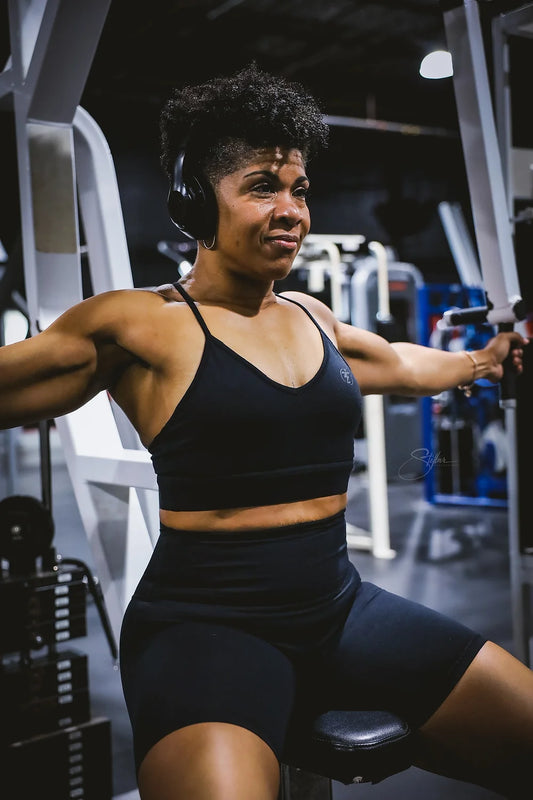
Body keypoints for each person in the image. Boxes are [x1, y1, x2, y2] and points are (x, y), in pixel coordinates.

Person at [1, 62, 532, 800]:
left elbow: (402, 365)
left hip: (340, 606)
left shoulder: (311, 317)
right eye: (261, 187)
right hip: (205, 629)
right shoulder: (139, 325)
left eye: (299, 190)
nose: (290, 210)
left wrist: (481, 357)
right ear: (194, 203)